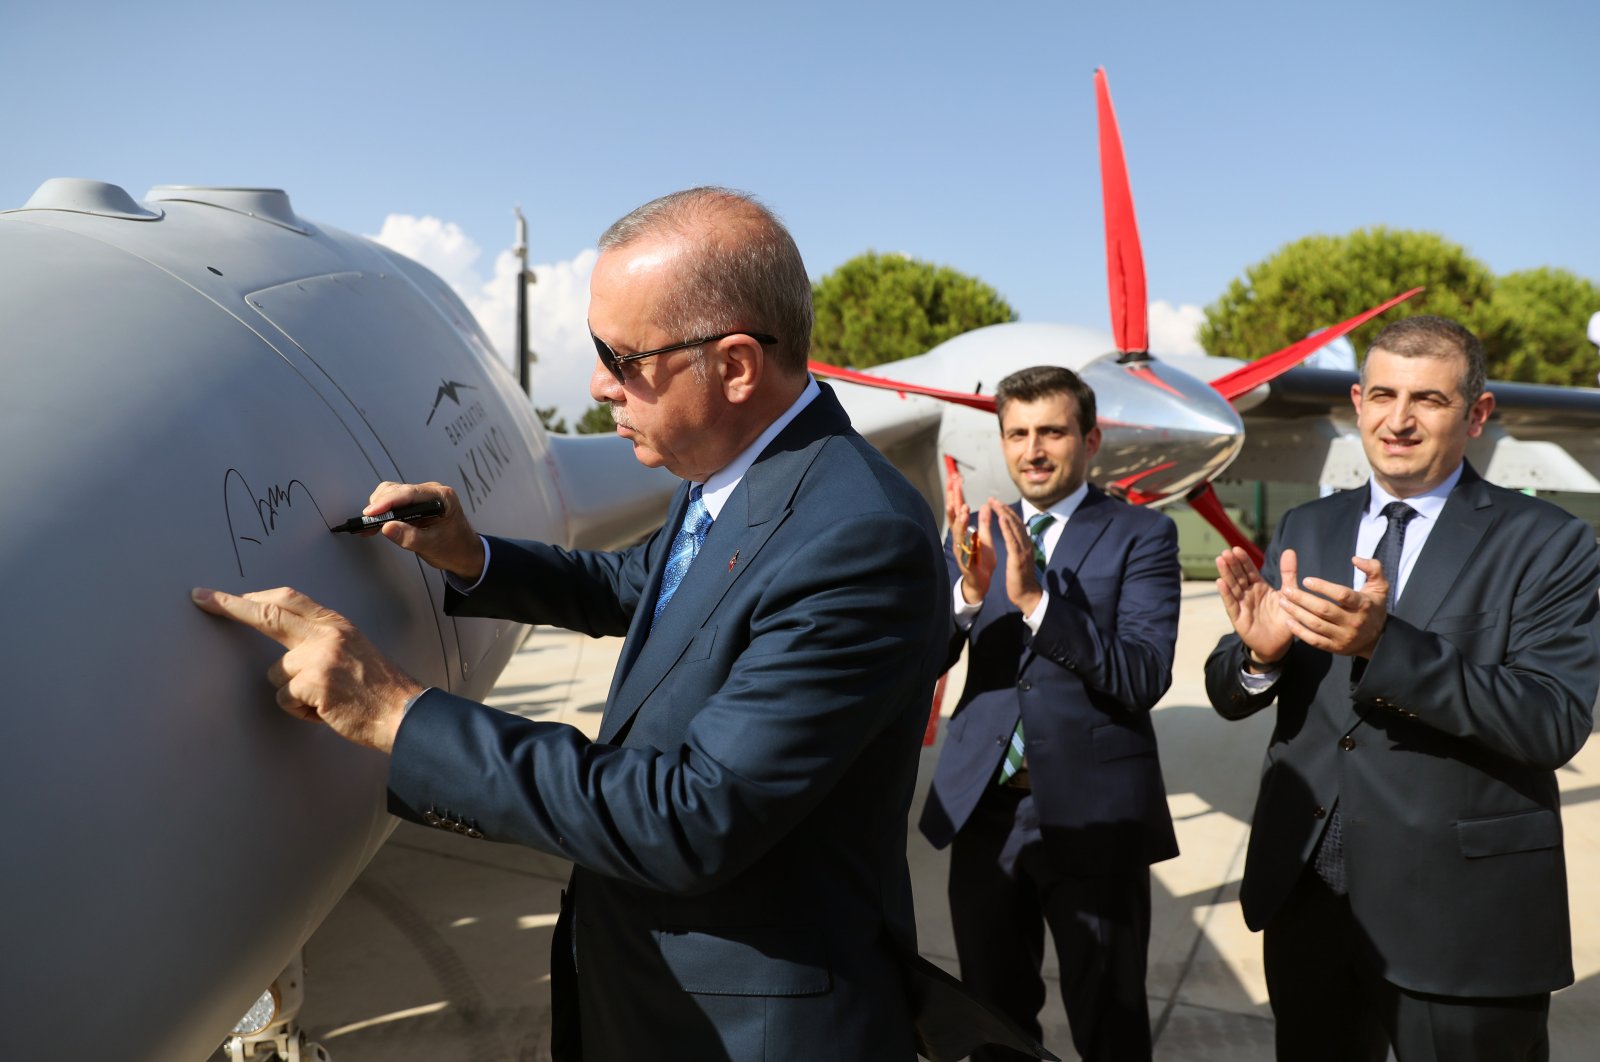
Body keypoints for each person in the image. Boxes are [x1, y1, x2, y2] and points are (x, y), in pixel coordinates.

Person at [191, 187, 1025, 1061]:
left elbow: (689, 817)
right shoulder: (745, 475)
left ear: (736, 366)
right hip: (655, 998)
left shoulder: (856, 540)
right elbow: (646, 588)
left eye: (620, 357)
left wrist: (397, 713)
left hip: (745, 1031)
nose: (596, 384)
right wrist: (474, 556)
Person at [1205, 314, 1600, 1061]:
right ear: (1356, 402)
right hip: (1309, 903)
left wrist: (1389, 647)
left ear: (1477, 414)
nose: (1399, 420)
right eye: (1382, 395)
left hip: (1460, 922)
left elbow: (1552, 721)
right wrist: (1259, 659)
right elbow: (1232, 688)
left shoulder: (1550, 542)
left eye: (1429, 400)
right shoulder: (1307, 525)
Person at [919, 365, 1183, 1062]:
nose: (1033, 450)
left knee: (1110, 1020)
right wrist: (967, 599)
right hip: (986, 813)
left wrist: (1037, 601)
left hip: (1093, 814)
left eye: (1052, 432)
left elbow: (1143, 675)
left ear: (1090, 439)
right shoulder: (974, 531)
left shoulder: (1143, 535)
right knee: (992, 1021)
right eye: (1018, 434)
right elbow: (925, 659)